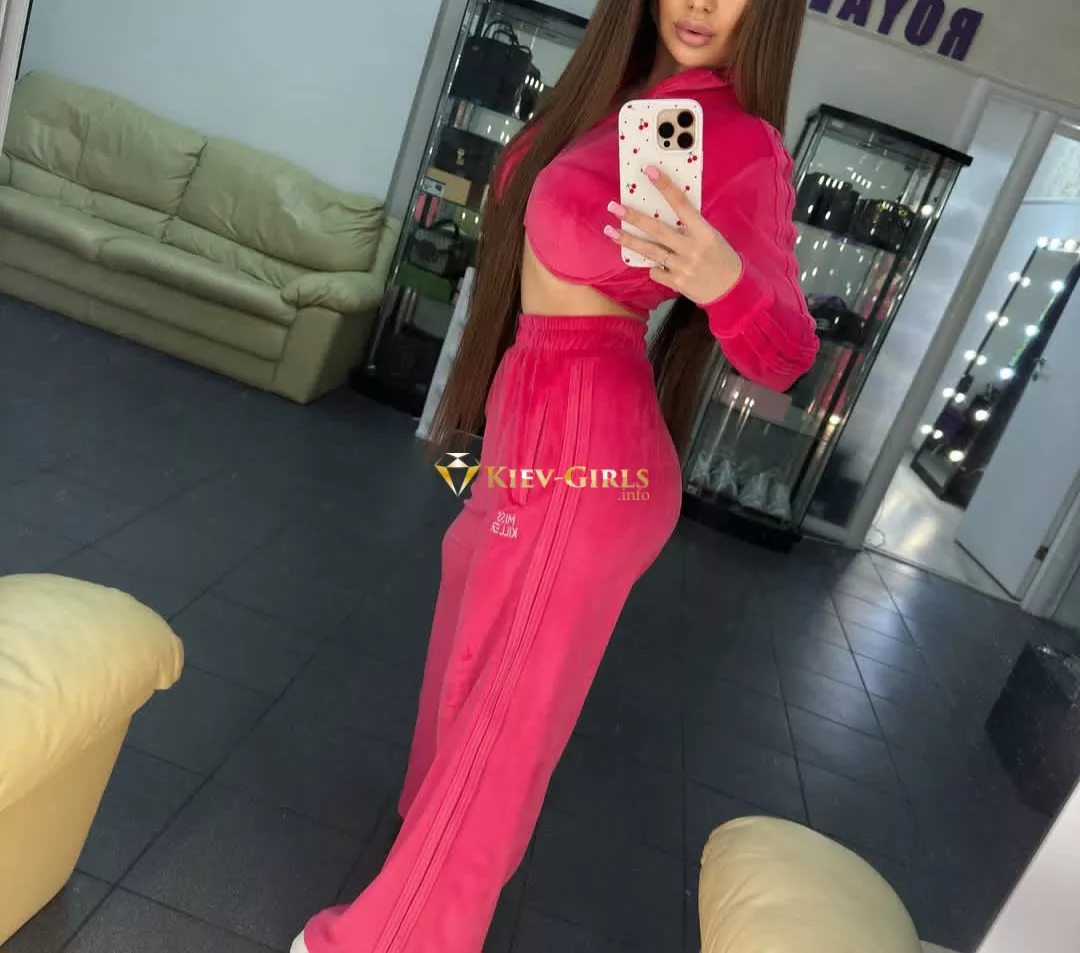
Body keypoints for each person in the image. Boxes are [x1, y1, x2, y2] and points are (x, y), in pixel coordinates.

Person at [292, 0, 817, 950]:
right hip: (527, 412)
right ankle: (430, 861)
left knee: (503, 716)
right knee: (463, 663)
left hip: (592, 440)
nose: (701, 4)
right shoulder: (608, 99)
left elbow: (785, 351)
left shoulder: (743, 145)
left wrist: (722, 280)